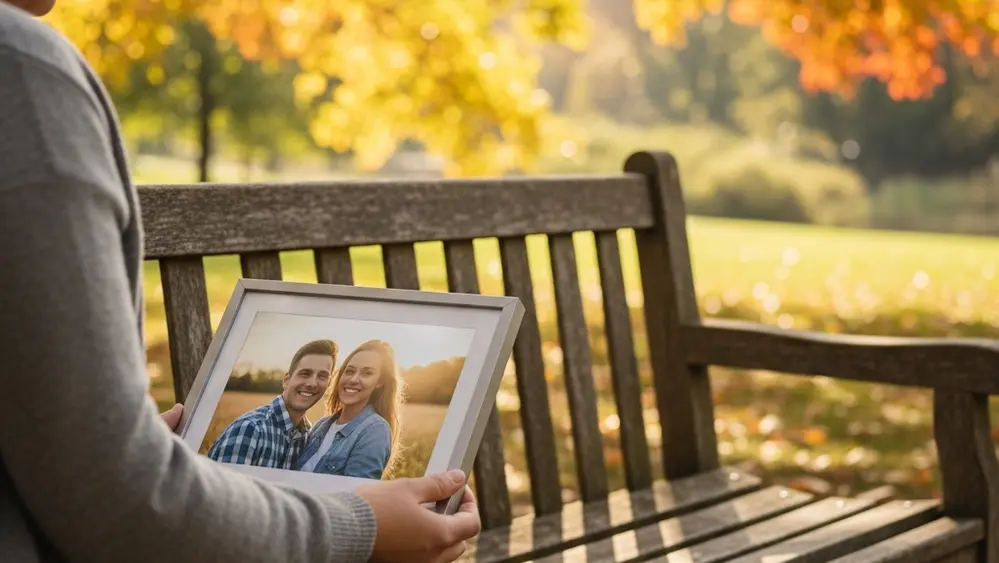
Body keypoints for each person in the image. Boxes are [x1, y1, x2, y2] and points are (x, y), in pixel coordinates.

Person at [0, 0, 481, 561]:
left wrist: (100, 434)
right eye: (338, 371)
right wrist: (361, 534)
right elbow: (115, 498)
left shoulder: (334, 430)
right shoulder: (21, 71)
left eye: (347, 374)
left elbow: (86, 468)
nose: (337, 382)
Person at [207, 339, 337, 468]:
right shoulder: (250, 429)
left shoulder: (308, 436)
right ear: (286, 380)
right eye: (305, 374)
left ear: (329, 384)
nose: (312, 383)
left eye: (322, 376)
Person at [297, 340, 400, 479]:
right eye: (349, 371)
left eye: (367, 373)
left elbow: (354, 494)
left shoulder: (375, 430)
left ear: (380, 382)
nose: (353, 379)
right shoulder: (321, 425)